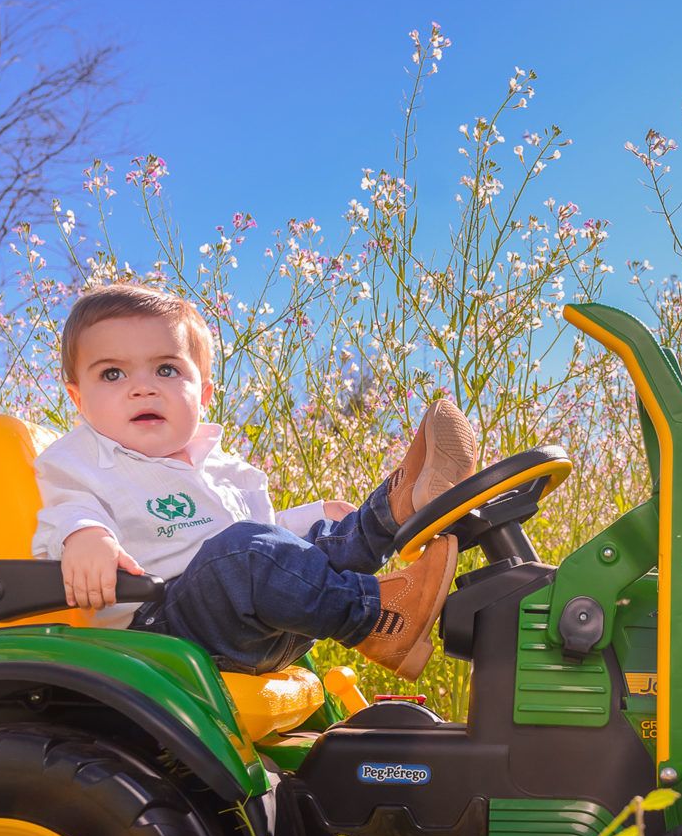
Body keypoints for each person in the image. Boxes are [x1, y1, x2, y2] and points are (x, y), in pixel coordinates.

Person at [32, 282, 475, 678]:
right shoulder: (79, 457)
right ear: (78, 399)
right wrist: (85, 535)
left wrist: (313, 520)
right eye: (113, 374)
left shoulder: (224, 467)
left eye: (166, 370)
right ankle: (377, 619)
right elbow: (67, 506)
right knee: (245, 555)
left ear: (203, 393)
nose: (142, 388)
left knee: (316, 542)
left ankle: (391, 513)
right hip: (160, 632)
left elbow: (263, 541)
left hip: (262, 624)